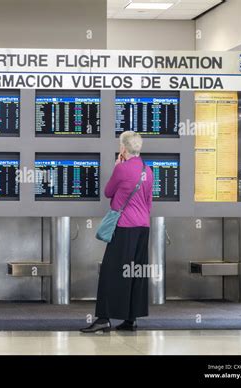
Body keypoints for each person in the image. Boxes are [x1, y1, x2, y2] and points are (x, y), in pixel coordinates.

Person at [81, 131, 153, 333]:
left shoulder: (122, 169)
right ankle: (131, 319)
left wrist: (116, 167)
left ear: (123, 148)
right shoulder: (148, 170)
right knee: (135, 272)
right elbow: (148, 202)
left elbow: (107, 192)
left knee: (110, 272)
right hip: (143, 227)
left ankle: (103, 318)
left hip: (125, 227)